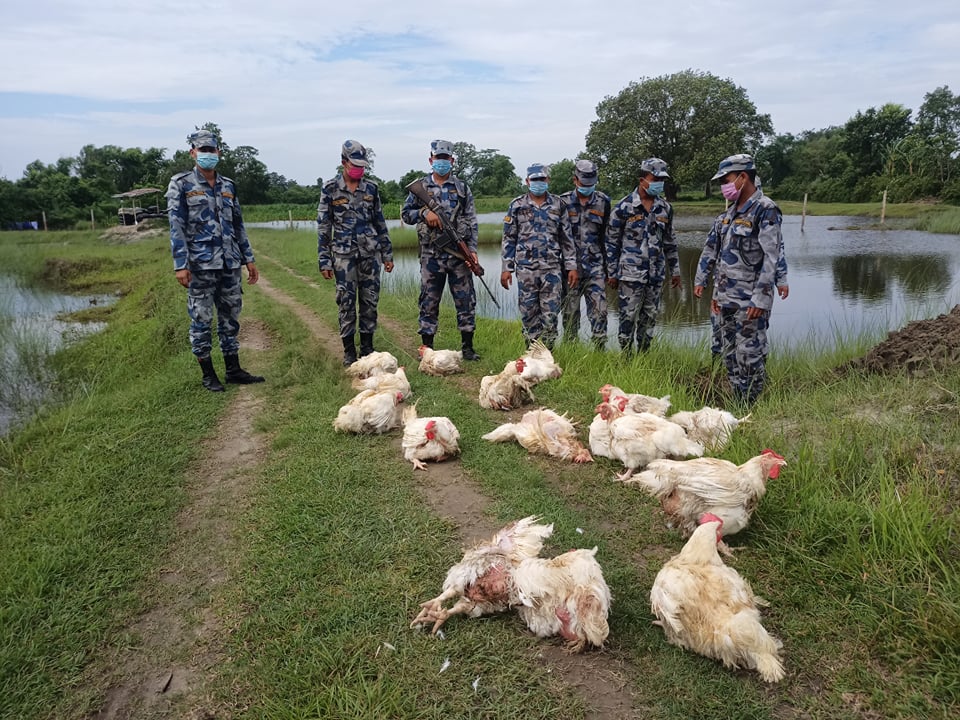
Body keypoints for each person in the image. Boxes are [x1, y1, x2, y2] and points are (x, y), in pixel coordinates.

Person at [167, 128, 265, 392]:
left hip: (229, 263)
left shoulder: (228, 186)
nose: (208, 154)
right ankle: (208, 374)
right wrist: (181, 264)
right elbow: (176, 226)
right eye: (203, 150)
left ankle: (233, 369)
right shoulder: (182, 184)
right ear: (193, 152)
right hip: (200, 265)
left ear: (218, 152)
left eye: (212, 150)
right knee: (201, 319)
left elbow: (238, 225)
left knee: (230, 318)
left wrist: (249, 259)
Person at [694, 154, 783, 406]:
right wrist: (707, 288)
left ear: (743, 177)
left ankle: (753, 406)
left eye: (726, 179)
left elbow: (771, 258)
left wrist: (761, 298)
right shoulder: (727, 215)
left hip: (750, 302)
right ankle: (738, 402)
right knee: (730, 354)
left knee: (750, 354)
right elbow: (714, 253)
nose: (724, 185)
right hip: (725, 300)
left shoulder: (765, 210)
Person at [400, 139, 480, 360]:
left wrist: (471, 250)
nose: (442, 162)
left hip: (457, 256)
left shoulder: (462, 188)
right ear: (430, 160)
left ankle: (467, 348)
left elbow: (471, 220)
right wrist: (424, 214)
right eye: (438, 159)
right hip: (431, 256)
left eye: (446, 159)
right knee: (429, 300)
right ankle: (427, 348)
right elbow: (406, 214)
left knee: (465, 300)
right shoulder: (421, 188)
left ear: (452, 161)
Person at [318, 140, 394, 366]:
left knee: (370, 302)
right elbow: (324, 227)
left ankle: (368, 348)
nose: (359, 169)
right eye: (355, 164)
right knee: (346, 303)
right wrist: (324, 260)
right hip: (343, 258)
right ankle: (349, 350)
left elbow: (380, 223)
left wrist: (387, 254)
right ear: (343, 162)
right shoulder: (330, 189)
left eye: (362, 165)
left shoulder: (371, 188)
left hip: (370, 255)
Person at [606, 158, 682, 354]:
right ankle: (626, 356)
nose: (659, 183)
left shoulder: (665, 208)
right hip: (630, 275)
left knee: (650, 317)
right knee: (627, 317)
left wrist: (675, 271)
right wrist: (612, 273)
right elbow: (612, 243)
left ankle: (644, 355)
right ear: (642, 180)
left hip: (655, 275)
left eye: (662, 179)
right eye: (655, 178)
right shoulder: (623, 207)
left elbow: (670, 243)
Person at [500, 163, 578, 348]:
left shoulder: (559, 205)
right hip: (526, 270)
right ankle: (531, 355)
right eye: (534, 180)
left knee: (550, 316)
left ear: (548, 180)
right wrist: (506, 268)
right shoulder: (517, 205)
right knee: (528, 315)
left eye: (542, 179)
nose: (538, 183)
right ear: (527, 181)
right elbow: (509, 239)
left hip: (552, 269)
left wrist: (572, 266)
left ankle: (548, 356)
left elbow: (566, 238)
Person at [559, 159, 611, 349]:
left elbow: (607, 237)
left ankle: (600, 349)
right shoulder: (562, 202)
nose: (587, 187)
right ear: (575, 180)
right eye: (583, 183)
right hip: (569, 270)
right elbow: (559, 237)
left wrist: (609, 269)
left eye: (591, 183)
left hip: (596, 267)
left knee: (600, 312)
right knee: (570, 312)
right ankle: (571, 348)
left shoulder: (603, 201)